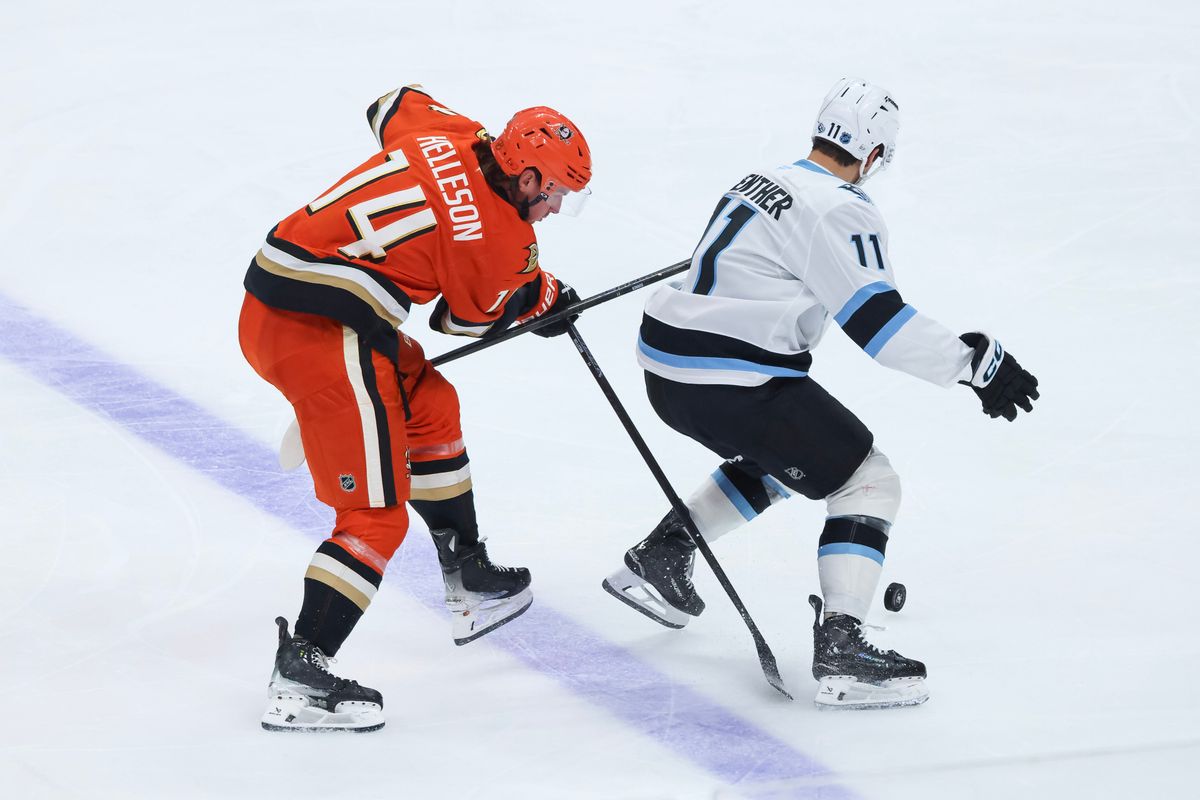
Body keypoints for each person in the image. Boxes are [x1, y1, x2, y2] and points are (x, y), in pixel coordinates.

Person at [602, 77, 1038, 709]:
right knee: (867, 482)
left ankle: (663, 555)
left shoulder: (759, 179)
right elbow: (880, 327)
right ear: (875, 155)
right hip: (734, 380)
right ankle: (843, 647)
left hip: (667, 372)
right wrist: (977, 365)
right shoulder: (842, 208)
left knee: (783, 457)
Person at [239, 84, 592, 731]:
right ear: (529, 173)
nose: (552, 209)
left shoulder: (455, 133)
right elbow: (467, 317)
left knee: (429, 401)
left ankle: (467, 571)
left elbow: (390, 102)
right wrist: (543, 299)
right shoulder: (497, 236)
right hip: (319, 332)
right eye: (554, 195)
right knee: (375, 517)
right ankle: (302, 669)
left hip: (284, 292)